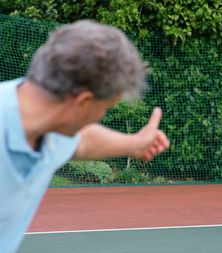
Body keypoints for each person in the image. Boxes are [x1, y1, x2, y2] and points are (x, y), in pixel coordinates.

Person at [0, 20, 170, 252]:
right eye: (105, 108)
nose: (101, 116)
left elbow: (84, 140)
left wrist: (135, 144)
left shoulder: (53, 128)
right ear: (83, 102)